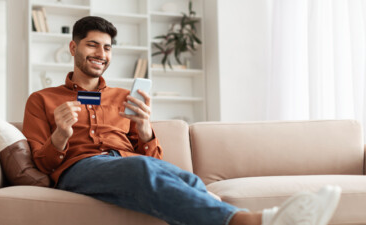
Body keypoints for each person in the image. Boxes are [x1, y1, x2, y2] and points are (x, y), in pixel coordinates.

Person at [22, 16, 341, 225]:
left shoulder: (123, 97)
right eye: (93, 44)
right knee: (143, 169)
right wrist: (61, 135)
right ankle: (252, 221)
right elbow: (43, 165)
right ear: (73, 47)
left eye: (107, 47)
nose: (101, 53)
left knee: (188, 180)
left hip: (128, 162)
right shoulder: (42, 99)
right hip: (80, 168)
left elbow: (154, 159)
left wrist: (146, 131)